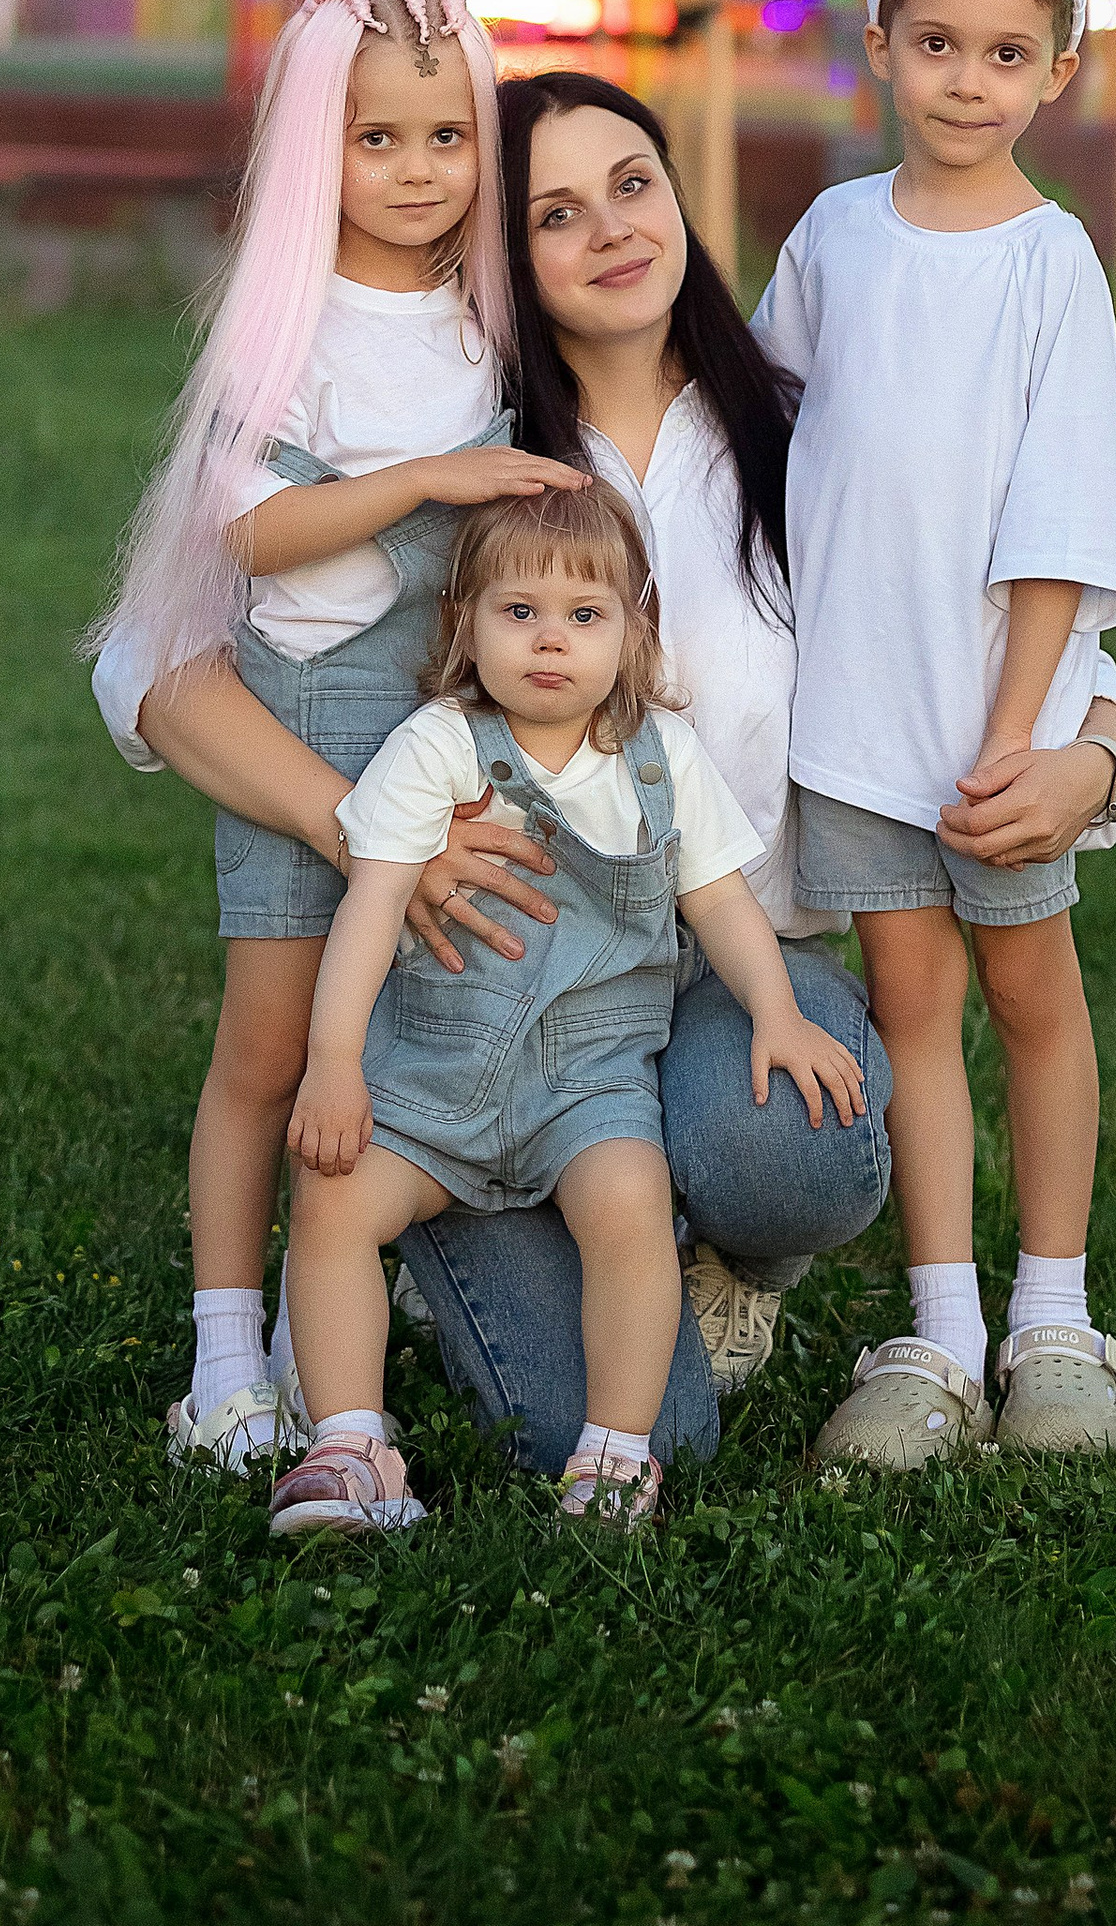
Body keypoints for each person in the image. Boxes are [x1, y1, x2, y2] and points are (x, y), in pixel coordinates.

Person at [86, 0, 583, 1472]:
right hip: (314, 718)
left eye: (448, 139)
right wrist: (426, 484)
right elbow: (244, 535)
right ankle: (225, 1353)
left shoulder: (489, 325)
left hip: (454, 719)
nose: (422, 173)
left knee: (413, 1029)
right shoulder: (286, 325)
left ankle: (332, 1319)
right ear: (321, 150)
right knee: (274, 1043)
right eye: (379, 141)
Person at [391, 68, 904, 1469]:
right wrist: (363, 834)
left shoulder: (802, 441)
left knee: (780, 1152)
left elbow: (995, 649)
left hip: (749, 956)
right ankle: (468, 1211)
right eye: (555, 214)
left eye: (632, 184)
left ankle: (734, 1257)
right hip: (520, 993)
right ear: (509, 257)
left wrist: (1103, 752)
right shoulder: (466, 463)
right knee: (648, 1437)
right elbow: (167, 667)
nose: (613, 229)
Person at [756, 0, 1116, 1468]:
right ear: (879, 51)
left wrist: (1019, 736)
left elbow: (1060, 513)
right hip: (856, 728)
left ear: (1057, 69)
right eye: (937, 45)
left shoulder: (1053, 264)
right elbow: (766, 440)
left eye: (1008, 51)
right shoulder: (833, 238)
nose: (970, 81)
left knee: (1033, 1002)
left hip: (1005, 722)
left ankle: (1054, 1316)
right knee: (911, 1013)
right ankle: (939, 1330)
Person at [269, 482, 864, 1537]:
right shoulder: (440, 745)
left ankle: (614, 1456)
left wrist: (774, 1009)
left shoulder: (656, 756)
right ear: (464, 624)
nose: (551, 641)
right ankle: (349, 1446)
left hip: (588, 1083)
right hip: (435, 1077)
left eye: (584, 617)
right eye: (519, 612)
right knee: (331, 1205)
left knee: (628, 1205)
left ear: (634, 632)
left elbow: (719, 898)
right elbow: (369, 908)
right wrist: (333, 1062)